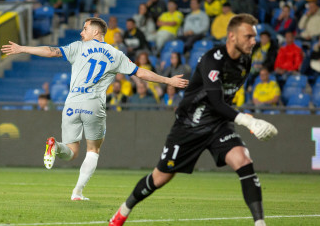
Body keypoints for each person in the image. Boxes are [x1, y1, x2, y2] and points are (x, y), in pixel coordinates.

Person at [109, 13, 278, 226]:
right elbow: (216, 100)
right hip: (190, 124)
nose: (254, 41)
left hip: (218, 125)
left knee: (244, 161)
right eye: (248, 36)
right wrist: (248, 121)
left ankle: (260, 223)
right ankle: (123, 210)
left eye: (254, 36)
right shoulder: (212, 59)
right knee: (159, 178)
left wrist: (244, 119)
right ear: (232, 36)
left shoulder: (246, 60)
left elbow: (226, 99)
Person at [1, 17, 189, 201]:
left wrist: (22, 48)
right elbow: (140, 72)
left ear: (96, 32)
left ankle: (55, 146)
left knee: (71, 152)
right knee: (93, 150)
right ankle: (77, 192)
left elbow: (51, 51)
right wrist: (168, 80)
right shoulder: (115, 54)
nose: (81, 32)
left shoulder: (77, 47)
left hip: (71, 104)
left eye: (85, 29)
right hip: (93, 105)